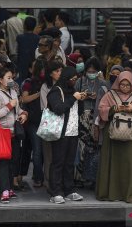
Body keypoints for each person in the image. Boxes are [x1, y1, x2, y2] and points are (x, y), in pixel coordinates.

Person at [96, 71, 132, 203]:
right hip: (112, 134)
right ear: (118, 83)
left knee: (130, 163)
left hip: (130, 135)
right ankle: (111, 194)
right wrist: (114, 109)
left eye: (127, 85)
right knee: (112, 162)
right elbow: (101, 109)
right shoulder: (110, 95)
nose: (124, 87)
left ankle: (129, 195)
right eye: (122, 84)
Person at [47, 67, 87, 204]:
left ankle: (69, 190)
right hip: (60, 132)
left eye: (76, 80)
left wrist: (80, 99)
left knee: (70, 163)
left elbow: (79, 112)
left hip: (73, 132)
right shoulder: (55, 91)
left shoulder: (73, 91)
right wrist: (72, 98)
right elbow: (58, 109)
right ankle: (55, 192)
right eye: (72, 80)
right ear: (66, 78)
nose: (74, 82)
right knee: (58, 162)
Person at [0, 66, 28, 203]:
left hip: (14, 133)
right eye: (8, 78)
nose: (11, 80)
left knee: (13, 161)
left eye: (12, 77)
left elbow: (18, 110)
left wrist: (24, 114)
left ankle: (10, 188)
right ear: (1, 80)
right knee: (3, 163)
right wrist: (9, 106)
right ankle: (4, 190)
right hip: (3, 132)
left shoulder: (13, 92)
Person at [74, 57, 108, 189]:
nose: (91, 73)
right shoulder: (80, 81)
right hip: (82, 118)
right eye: (89, 71)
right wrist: (84, 96)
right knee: (81, 148)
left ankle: (92, 178)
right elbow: (74, 96)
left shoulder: (103, 83)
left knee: (94, 149)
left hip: (96, 119)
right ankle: (79, 177)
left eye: (94, 71)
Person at [21, 57, 48, 188]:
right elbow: (24, 99)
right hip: (34, 121)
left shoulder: (48, 82)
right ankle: (38, 177)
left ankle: (39, 176)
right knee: (38, 151)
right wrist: (38, 94)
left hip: (44, 120)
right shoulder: (29, 83)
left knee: (41, 151)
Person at [40, 60, 64, 188]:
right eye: (57, 71)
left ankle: (60, 182)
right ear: (50, 73)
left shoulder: (66, 85)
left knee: (62, 155)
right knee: (49, 155)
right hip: (51, 123)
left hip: (65, 124)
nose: (60, 73)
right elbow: (46, 106)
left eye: (61, 70)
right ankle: (50, 182)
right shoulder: (45, 87)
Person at [16, 16, 40, 84]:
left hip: (22, 64)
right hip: (33, 64)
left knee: (21, 82)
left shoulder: (20, 37)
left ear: (24, 26)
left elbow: (17, 51)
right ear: (35, 26)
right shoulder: (38, 38)